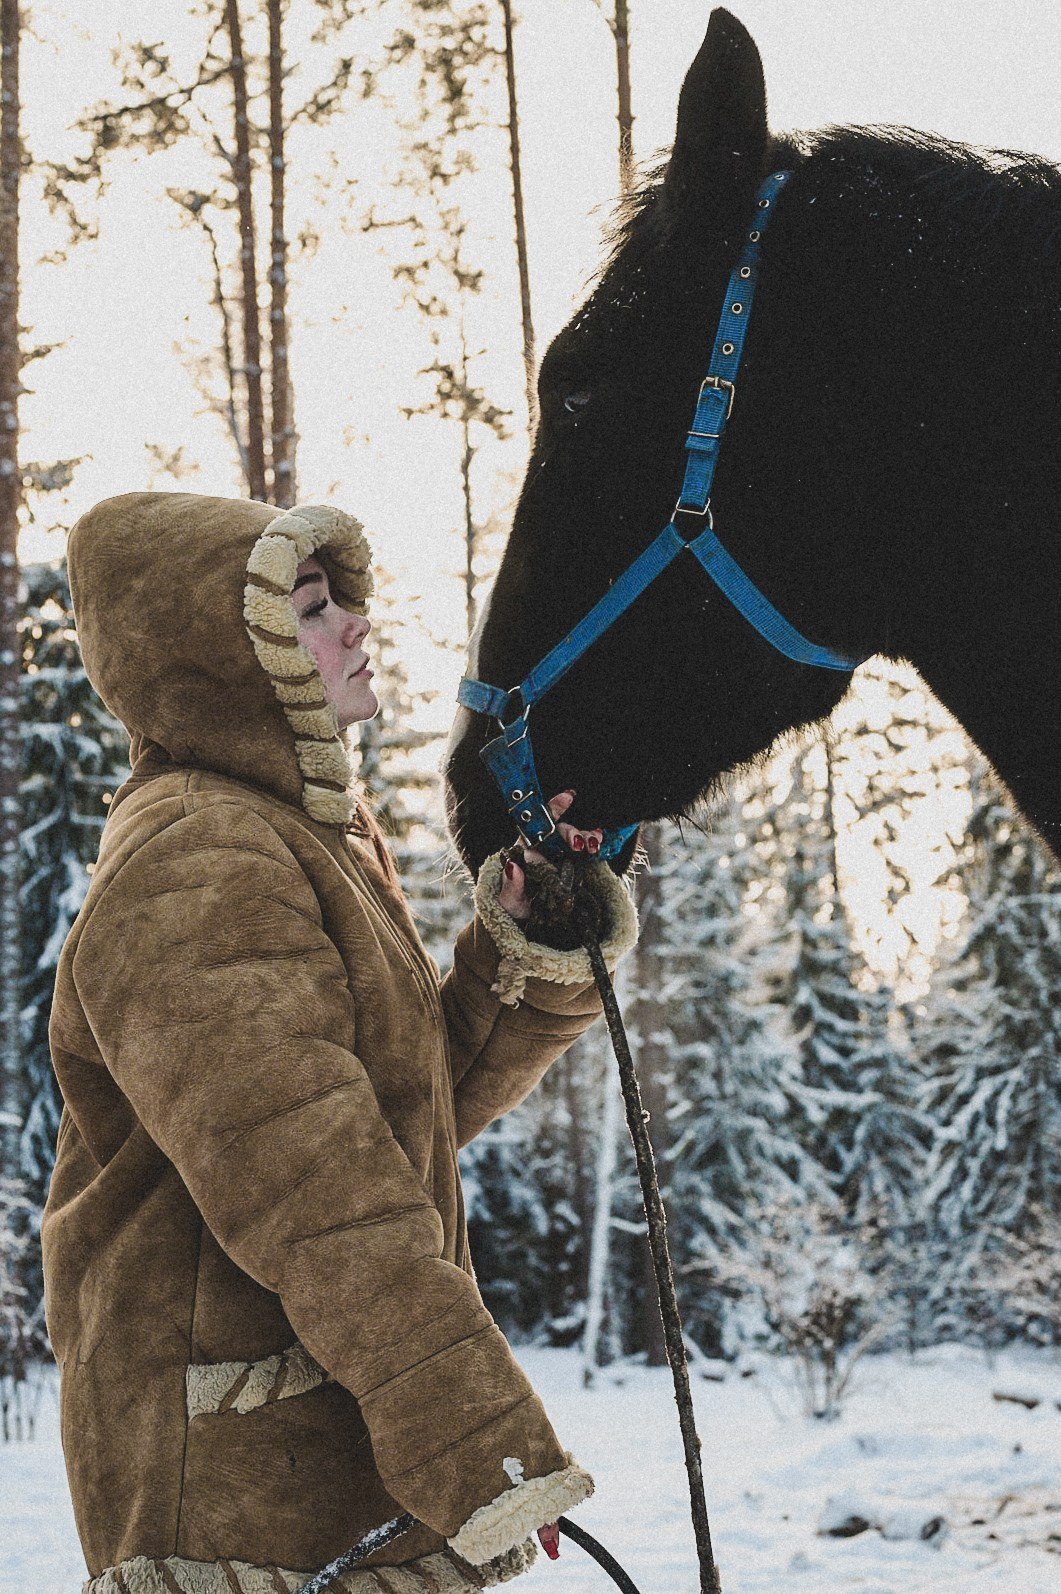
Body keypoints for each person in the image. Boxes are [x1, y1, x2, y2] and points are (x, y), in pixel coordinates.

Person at [42, 493, 637, 1594]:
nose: (355, 623)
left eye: (342, 599)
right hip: (234, 1508)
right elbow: (318, 1195)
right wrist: (476, 1435)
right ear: (226, 656)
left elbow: (405, 1113)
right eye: (311, 608)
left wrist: (524, 946)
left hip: (325, 1483)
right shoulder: (198, 857)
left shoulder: (296, 840)